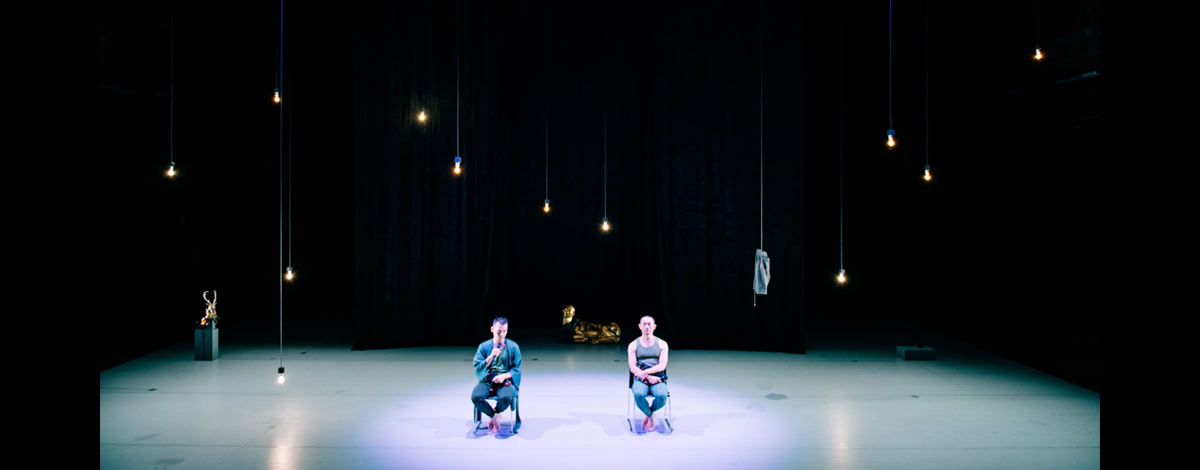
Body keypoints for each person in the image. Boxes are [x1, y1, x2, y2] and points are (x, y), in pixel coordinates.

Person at [472, 317, 521, 433]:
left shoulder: (513, 347)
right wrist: (490, 357)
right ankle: (494, 416)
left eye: (505, 331)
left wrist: (504, 376)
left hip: (505, 380)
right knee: (476, 397)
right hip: (487, 379)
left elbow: (517, 368)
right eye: (499, 331)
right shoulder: (484, 347)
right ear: (492, 329)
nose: (502, 334)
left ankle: (498, 412)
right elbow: (477, 365)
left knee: (505, 398)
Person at [628, 315, 668, 432]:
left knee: (662, 396)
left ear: (654, 327)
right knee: (639, 394)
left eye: (649, 324)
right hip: (640, 377)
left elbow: (662, 365)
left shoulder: (662, 344)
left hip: (657, 377)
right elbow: (632, 367)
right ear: (639, 326)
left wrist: (647, 373)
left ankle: (649, 412)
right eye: (644, 324)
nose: (646, 327)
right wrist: (647, 376)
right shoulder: (633, 345)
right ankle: (650, 415)